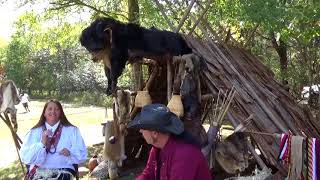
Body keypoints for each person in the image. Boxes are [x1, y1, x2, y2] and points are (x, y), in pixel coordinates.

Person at [128, 104, 212, 180]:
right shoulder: (157, 148)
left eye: (143, 127)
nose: (140, 131)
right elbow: (149, 173)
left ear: (155, 133)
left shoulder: (185, 155)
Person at [20, 99, 87, 180]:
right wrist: (42, 144)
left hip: (63, 171)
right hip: (39, 172)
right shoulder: (34, 132)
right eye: (50, 109)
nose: (53, 111)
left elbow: (82, 154)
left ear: (61, 113)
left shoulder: (72, 130)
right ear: (44, 113)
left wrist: (70, 153)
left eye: (57, 109)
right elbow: (26, 158)